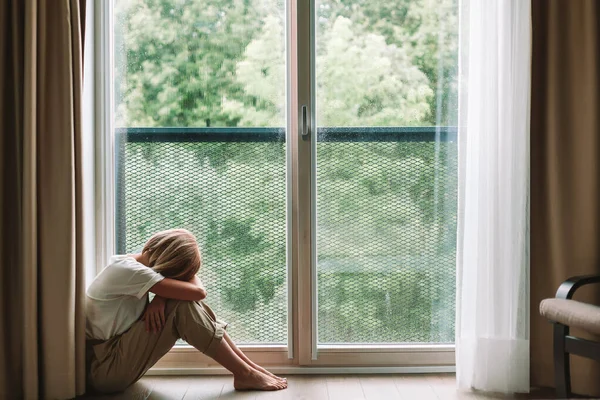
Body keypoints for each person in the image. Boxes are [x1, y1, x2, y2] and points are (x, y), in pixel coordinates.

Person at [85, 228, 287, 393]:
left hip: (111, 359)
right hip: (105, 367)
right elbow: (198, 292)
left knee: (183, 302)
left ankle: (249, 369)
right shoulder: (130, 272)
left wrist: (162, 296)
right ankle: (245, 373)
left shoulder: (127, 264)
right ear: (172, 268)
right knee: (183, 306)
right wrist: (166, 293)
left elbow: (190, 292)